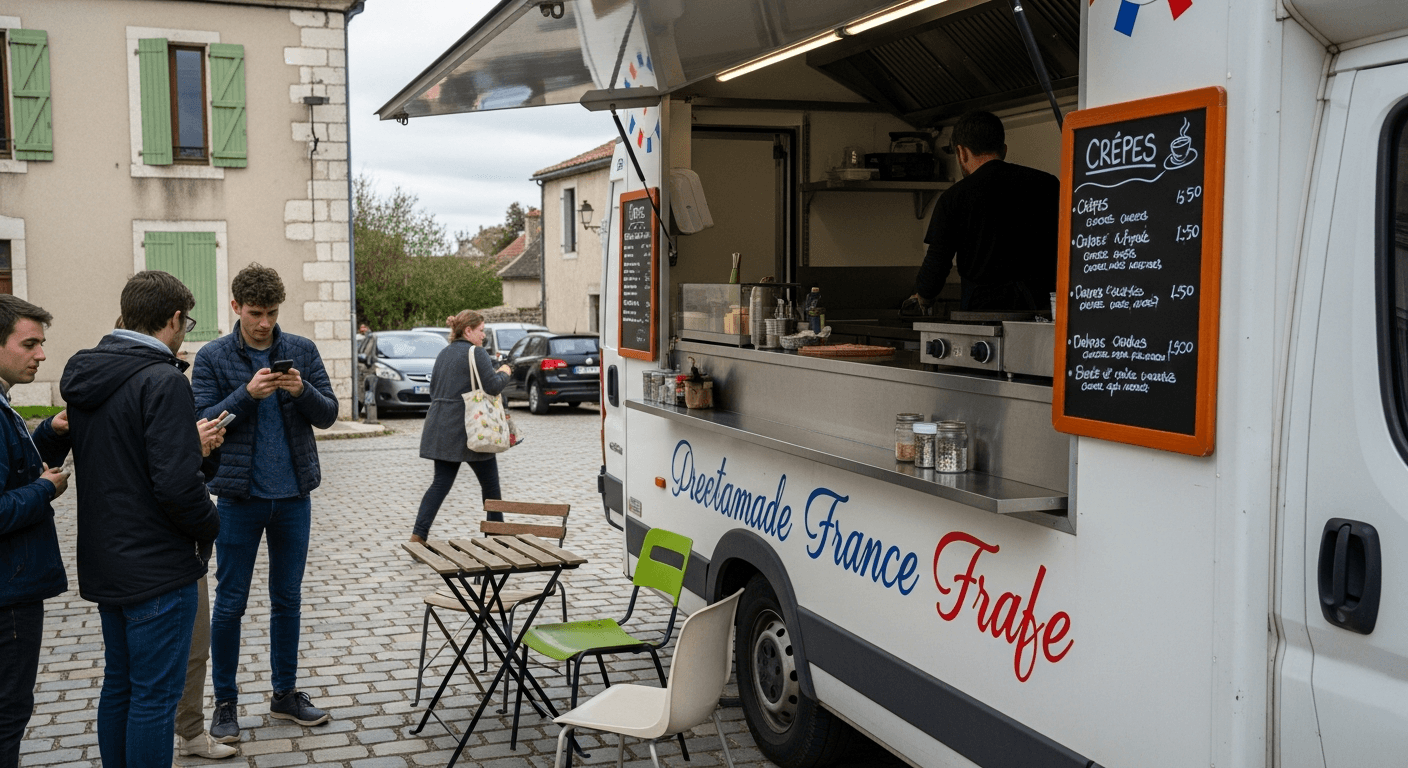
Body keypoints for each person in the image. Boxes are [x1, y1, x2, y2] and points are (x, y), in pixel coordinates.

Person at [59, 272, 223, 768]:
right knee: (154, 698)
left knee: (121, 688)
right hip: (158, 566)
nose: (185, 331)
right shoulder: (163, 379)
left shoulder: (87, 374)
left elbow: (124, 459)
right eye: (186, 322)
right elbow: (176, 485)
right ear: (173, 319)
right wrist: (212, 524)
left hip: (107, 560)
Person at [192, 264, 338, 742]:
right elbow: (198, 422)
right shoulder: (213, 356)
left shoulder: (300, 350)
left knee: (288, 599)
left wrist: (302, 390)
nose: (263, 323)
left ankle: (284, 694)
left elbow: (330, 414)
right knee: (230, 603)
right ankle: (226, 702)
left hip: (294, 497)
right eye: (255, 313)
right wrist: (247, 395)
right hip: (238, 498)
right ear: (236, 307)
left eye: (272, 313)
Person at [0, 296, 70, 768]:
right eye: (29, 344)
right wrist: (45, 489)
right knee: (8, 712)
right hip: (8, 593)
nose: (41, 355)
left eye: (41, 344)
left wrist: (50, 431)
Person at [912, 110, 1061, 312]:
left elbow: (937, 262)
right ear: (1004, 149)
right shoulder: (1048, 185)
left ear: (961, 152)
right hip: (1041, 311)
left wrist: (924, 298)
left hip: (983, 315)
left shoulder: (955, 197)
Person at [411, 309, 513, 543]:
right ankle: (496, 539)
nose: (483, 335)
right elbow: (492, 387)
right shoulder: (476, 352)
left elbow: (434, 391)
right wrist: (505, 372)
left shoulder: (443, 353)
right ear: (468, 330)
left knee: (440, 484)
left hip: (443, 429)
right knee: (491, 488)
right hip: (473, 428)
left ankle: (418, 535)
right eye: (481, 330)